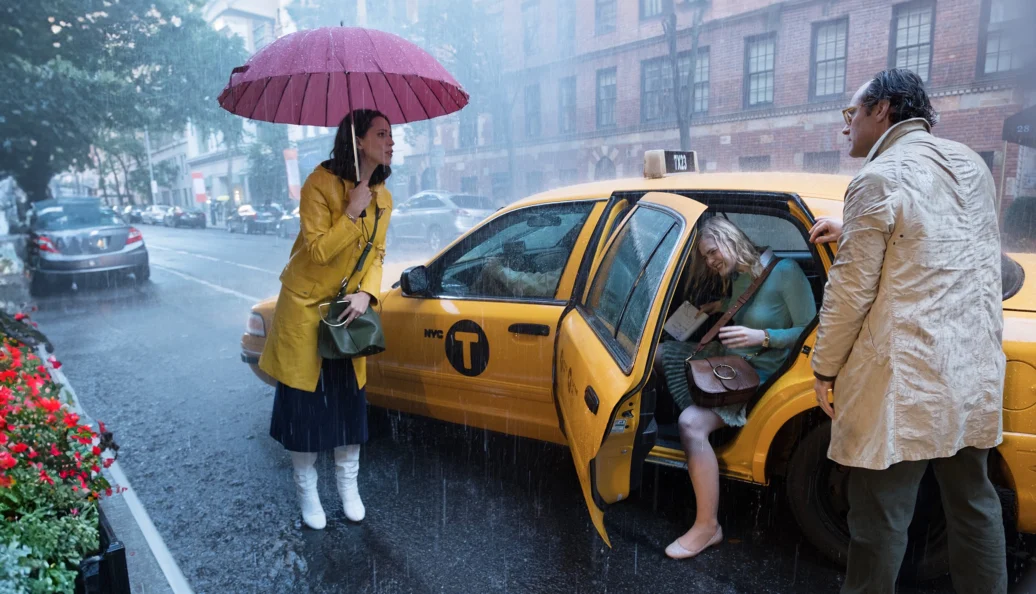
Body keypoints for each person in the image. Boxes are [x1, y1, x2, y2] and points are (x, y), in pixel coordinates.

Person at [810, 69, 1006, 593]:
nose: (845, 127)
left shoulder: (876, 179)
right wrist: (852, 227)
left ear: (883, 109)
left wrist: (824, 368)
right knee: (974, 504)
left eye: (851, 114)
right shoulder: (971, 164)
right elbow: (945, 245)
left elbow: (849, 293)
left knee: (878, 522)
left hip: (904, 384)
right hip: (972, 372)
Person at [259, 109, 395, 530]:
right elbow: (318, 252)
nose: (391, 142)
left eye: (391, 135)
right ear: (358, 141)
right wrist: (351, 211)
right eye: (381, 134)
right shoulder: (319, 184)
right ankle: (306, 489)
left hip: (346, 314)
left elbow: (377, 255)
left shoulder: (383, 197)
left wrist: (367, 292)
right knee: (305, 412)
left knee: (347, 406)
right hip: (306, 311)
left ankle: (348, 486)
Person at [655, 216, 816, 559]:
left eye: (713, 252)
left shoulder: (785, 272)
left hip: (758, 374)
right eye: (706, 257)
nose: (711, 262)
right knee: (657, 355)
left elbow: (812, 330)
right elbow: (753, 309)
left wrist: (765, 337)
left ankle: (707, 526)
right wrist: (721, 308)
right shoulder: (742, 275)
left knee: (690, 425)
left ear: (729, 239)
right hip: (730, 361)